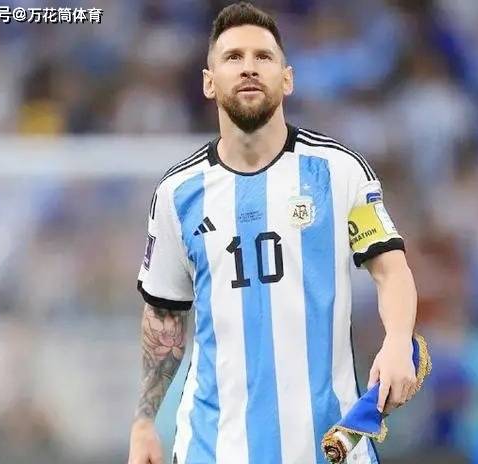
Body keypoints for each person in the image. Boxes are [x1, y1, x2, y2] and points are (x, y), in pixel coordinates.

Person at [128, 3, 418, 463]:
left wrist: (399, 340)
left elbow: (391, 270)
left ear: (287, 78)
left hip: (328, 445)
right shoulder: (177, 194)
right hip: (213, 447)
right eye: (233, 57)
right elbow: (164, 316)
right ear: (208, 82)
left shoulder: (338, 171)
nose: (248, 67)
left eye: (263, 57)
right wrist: (145, 421)